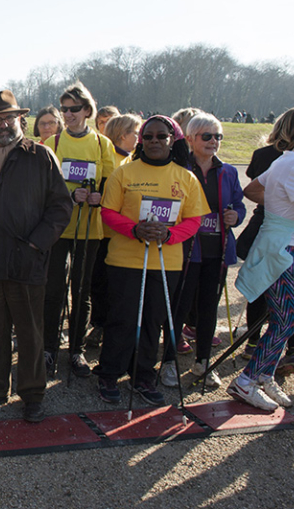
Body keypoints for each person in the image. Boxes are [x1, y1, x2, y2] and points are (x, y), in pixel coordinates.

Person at [0, 91, 72, 422]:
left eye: (9, 118)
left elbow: (60, 207)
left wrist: (36, 245)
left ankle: (32, 394)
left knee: (30, 332)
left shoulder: (40, 156)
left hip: (27, 262)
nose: (3, 124)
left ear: (20, 120)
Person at [94, 116, 209, 405]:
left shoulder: (186, 178)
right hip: (125, 260)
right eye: (149, 137)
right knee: (121, 318)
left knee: (152, 321)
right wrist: (134, 229)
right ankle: (109, 373)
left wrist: (169, 234)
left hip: (165, 262)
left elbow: (194, 220)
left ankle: (143, 374)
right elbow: (108, 212)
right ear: (141, 140)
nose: (155, 141)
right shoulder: (125, 173)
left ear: (173, 140)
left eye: (161, 136)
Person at [162, 114, 245, 388]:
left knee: (209, 307)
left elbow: (239, 205)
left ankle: (203, 362)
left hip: (217, 250)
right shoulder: (180, 168)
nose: (213, 142)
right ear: (190, 139)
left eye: (218, 136)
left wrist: (236, 216)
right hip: (188, 250)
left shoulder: (229, 171)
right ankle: (169, 361)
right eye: (206, 136)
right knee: (180, 305)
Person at [42, 82, 116, 379]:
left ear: (87, 110)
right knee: (53, 289)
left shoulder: (101, 144)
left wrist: (100, 196)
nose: (69, 114)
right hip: (59, 227)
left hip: (90, 227)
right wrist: (69, 197)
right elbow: (44, 187)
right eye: (65, 109)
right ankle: (48, 348)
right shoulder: (53, 144)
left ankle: (76, 350)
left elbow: (112, 183)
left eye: (74, 109)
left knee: (82, 291)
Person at [233, 123, 294, 410]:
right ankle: (246, 381)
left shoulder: (286, 160)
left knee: (283, 319)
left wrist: (281, 208)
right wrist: (283, 214)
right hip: (282, 249)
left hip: (286, 242)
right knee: (287, 320)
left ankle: (263, 374)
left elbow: (253, 189)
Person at [88, 113, 143, 347]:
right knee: (99, 283)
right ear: (123, 135)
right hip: (103, 233)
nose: (139, 139)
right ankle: (98, 325)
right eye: (136, 133)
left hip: (126, 236)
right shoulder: (109, 159)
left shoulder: (135, 162)